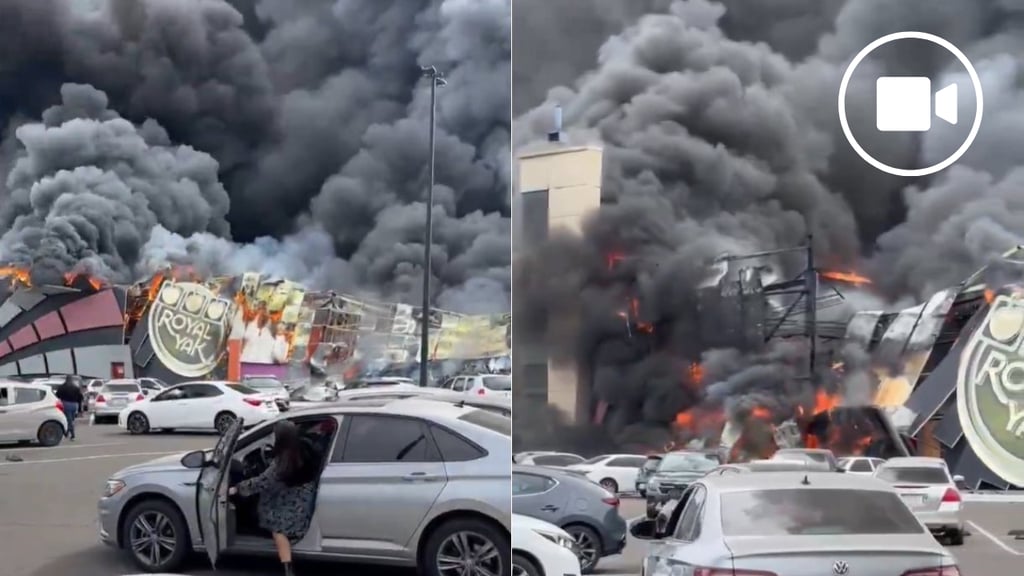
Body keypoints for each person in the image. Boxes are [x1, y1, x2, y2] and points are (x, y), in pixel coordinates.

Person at [228, 421, 319, 576]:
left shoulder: (282, 461)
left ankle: (287, 568)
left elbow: (262, 483)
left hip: (292, 508)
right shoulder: (305, 450)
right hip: (303, 500)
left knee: (278, 531)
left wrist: (237, 488)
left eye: (274, 434)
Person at [54, 375, 84, 440]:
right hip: (74, 404)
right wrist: (80, 409)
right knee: (71, 419)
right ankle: (67, 433)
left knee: (68, 420)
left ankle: (72, 434)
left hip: (65, 403)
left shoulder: (62, 387)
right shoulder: (76, 387)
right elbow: (80, 398)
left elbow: (57, 396)